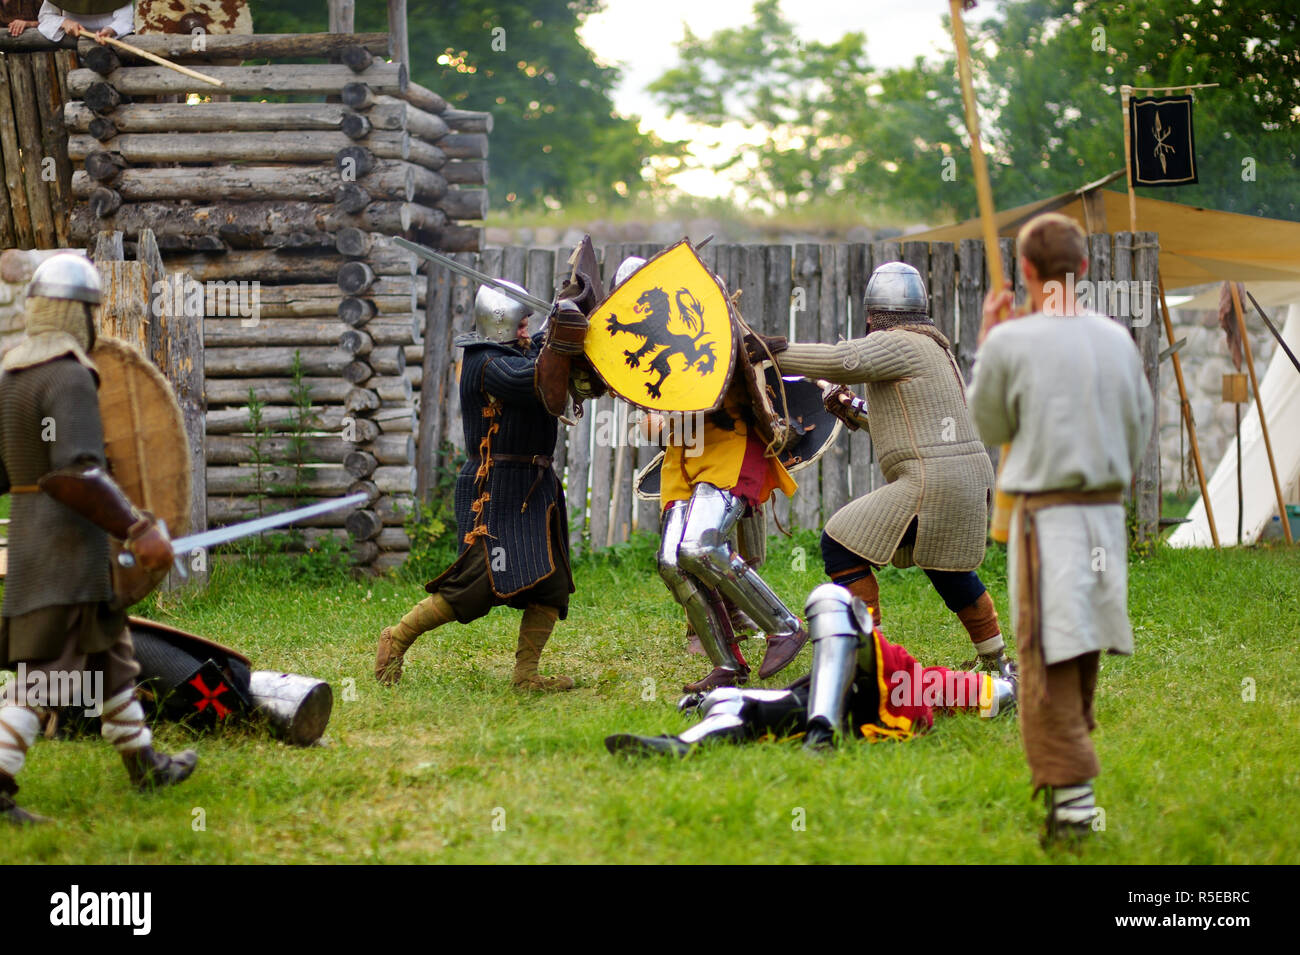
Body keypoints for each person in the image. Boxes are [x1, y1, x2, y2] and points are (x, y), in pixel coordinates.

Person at [967, 212, 1154, 846]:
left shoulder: (1012, 342)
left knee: (1046, 655)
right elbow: (1138, 429)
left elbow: (990, 426)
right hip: (1105, 515)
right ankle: (1071, 786)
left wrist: (990, 339)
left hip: (1048, 521)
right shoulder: (1117, 339)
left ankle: (1073, 805)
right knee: (1079, 645)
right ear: (1084, 267)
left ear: (1024, 270)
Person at [0, 253, 197, 825]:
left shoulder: (11, 373)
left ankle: (145, 765)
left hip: (46, 544)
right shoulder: (68, 374)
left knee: (111, 658)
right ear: (78, 313)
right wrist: (137, 526)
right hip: (64, 548)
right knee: (48, 677)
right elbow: (76, 474)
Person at [757, 262, 1010, 674]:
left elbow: (845, 359)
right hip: (965, 475)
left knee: (839, 542)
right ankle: (997, 661)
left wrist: (772, 354)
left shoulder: (902, 342)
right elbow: (914, 420)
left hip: (934, 479)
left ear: (874, 315)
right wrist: (853, 411)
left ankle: (867, 658)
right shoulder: (934, 346)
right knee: (948, 570)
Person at [612, 254, 808, 694]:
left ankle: (785, 626)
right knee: (671, 561)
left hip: (731, 443)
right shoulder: (650, 346)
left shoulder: (717, 326)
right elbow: (650, 423)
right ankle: (727, 662)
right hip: (683, 455)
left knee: (702, 546)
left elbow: (719, 384)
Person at [374, 280, 577, 691]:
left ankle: (526, 675)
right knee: (476, 587)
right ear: (498, 323)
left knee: (551, 582)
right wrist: (562, 338)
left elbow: (548, 349)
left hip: (535, 488)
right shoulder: (485, 362)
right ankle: (396, 638)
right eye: (520, 325)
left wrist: (574, 312)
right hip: (496, 488)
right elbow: (534, 380)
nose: (527, 330)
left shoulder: (522, 349)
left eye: (528, 324)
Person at [605, 582, 1016, 757]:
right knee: (729, 701)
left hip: (882, 697)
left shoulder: (927, 683)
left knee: (829, 598)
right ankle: (680, 746)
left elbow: (999, 695)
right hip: (835, 703)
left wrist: (1010, 682)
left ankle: (820, 735)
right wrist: (703, 701)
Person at [36, 1, 133, 41]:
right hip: (72, 50)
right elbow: (45, 16)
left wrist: (111, 30)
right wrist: (64, 22)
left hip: (112, 47)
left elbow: (125, 19)